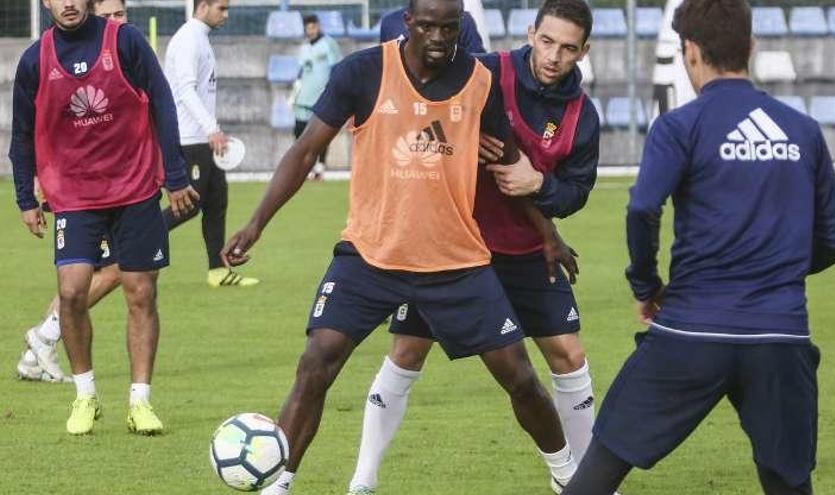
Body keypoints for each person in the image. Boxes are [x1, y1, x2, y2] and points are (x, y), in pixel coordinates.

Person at [222, 0, 580, 492]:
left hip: (455, 261)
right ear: (408, 23)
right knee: (316, 361)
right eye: (428, 26)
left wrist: (549, 236)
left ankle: (568, 478)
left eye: (449, 28)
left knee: (518, 376)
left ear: (461, 27)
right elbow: (305, 151)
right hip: (371, 255)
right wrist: (255, 224)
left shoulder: (479, 82)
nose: (438, 36)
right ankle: (278, 483)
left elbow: (509, 163)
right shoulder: (362, 72)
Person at [561, 1, 835, 494]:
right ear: (751, 47)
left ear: (690, 52)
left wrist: (647, 285)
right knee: (789, 484)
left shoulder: (679, 126)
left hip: (690, 331)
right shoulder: (803, 131)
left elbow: (642, 209)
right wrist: (775, 272)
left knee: (600, 468)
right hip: (778, 337)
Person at [347, 1, 603, 494]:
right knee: (406, 351)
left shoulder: (580, 115)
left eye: (568, 48)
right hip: (452, 248)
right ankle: (363, 479)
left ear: (583, 51)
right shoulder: (484, 72)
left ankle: (587, 481)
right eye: (547, 41)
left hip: (529, 250)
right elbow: (422, 89)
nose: (553, 56)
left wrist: (538, 184)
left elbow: (575, 194)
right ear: (531, 32)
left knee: (569, 355)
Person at [10, 0, 198, 435]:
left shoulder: (126, 41)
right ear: (46, 2)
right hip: (73, 196)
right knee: (73, 291)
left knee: (140, 293)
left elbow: (163, 105)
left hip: (134, 190)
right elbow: (21, 133)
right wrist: (25, 197)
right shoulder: (35, 59)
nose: (70, 3)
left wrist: (173, 174)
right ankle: (85, 396)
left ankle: (140, 401)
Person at [14, 0, 130, 386]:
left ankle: (36, 353)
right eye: (108, 15)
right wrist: (29, 188)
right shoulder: (53, 57)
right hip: (76, 187)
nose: (115, 21)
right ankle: (45, 335)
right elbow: (40, 126)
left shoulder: (122, 49)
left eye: (120, 14)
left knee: (91, 274)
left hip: (116, 184)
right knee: (111, 271)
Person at [164, 0, 259, 287]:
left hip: (202, 137)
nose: (226, 15)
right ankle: (124, 245)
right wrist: (211, 129)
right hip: (189, 138)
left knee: (217, 201)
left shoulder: (200, 38)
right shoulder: (188, 40)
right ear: (202, 6)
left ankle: (218, 271)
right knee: (190, 205)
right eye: (222, 8)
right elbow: (185, 90)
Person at [289, 14, 341, 179]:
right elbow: (301, 71)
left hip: (321, 97)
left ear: (318, 26)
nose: (310, 31)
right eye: (307, 28)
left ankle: (320, 168)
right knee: (299, 131)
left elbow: (336, 68)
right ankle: (301, 168)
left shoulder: (328, 44)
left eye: (313, 27)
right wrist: (294, 91)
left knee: (321, 135)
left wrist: (332, 91)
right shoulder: (304, 48)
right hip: (304, 98)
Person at [380, 4, 486, 54]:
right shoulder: (390, 23)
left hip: (452, 93)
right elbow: (386, 66)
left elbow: (479, 64)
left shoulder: (462, 20)